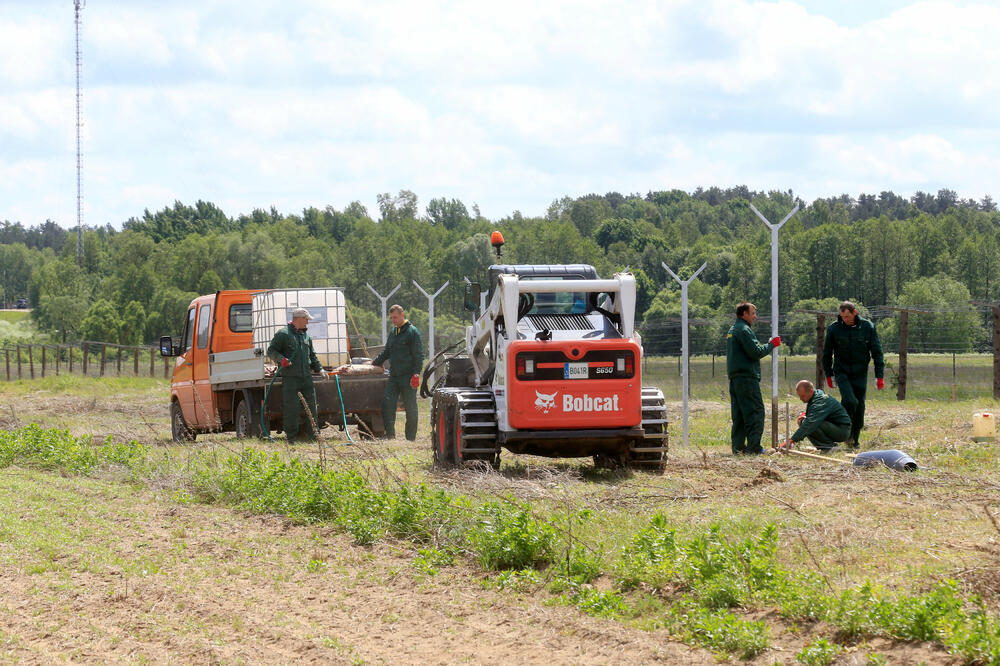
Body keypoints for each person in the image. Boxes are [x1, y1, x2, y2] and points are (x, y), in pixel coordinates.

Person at [822, 301, 885, 448]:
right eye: (842, 316)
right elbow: (827, 354)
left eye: (847, 316)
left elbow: (877, 352)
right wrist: (829, 375)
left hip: (860, 372)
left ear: (854, 313)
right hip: (841, 371)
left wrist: (879, 375)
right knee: (850, 401)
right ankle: (838, 424)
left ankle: (853, 439)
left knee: (860, 406)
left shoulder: (868, 327)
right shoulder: (834, 329)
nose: (845, 319)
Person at [726, 301, 781, 455]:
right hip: (747, 378)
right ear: (744, 314)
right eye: (753, 313)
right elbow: (756, 352)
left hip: (735, 379)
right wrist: (771, 344)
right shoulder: (744, 330)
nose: (755, 317)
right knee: (755, 412)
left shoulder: (732, 329)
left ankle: (738, 448)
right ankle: (754, 448)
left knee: (739, 414)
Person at [267, 308, 328, 443]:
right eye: (306, 319)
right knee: (291, 408)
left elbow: (312, 355)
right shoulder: (283, 334)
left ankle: (314, 437)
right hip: (290, 378)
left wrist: (320, 369)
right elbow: (271, 351)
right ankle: (291, 438)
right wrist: (281, 359)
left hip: (306, 377)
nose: (308, 322)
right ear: (299, 319)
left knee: (312, 407)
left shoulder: (306, 336)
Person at [373, 304, 424, 441]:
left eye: (395, 317)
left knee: (411, 408)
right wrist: (375, 362)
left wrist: (416, 373)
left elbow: (418, 355)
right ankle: (390, 435)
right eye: (391, 318)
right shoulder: (393, 332)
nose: (393, 320)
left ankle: (410, 438)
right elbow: (387, 351)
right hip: (394, 376)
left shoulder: (412, 332)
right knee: (387, 404)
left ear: (402, 315)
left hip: (408, 376)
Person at [783, 380, 852, 452]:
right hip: (836, 427)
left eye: (803, 396)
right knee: (804, 421)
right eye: (799, 396)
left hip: (842, 431)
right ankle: (827, 446)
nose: (801, 399)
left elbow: (810, 422)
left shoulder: (820, 401)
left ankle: (829, 448)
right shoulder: (816, 397)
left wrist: (792, 440)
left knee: (809, 424)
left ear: (810, 391)